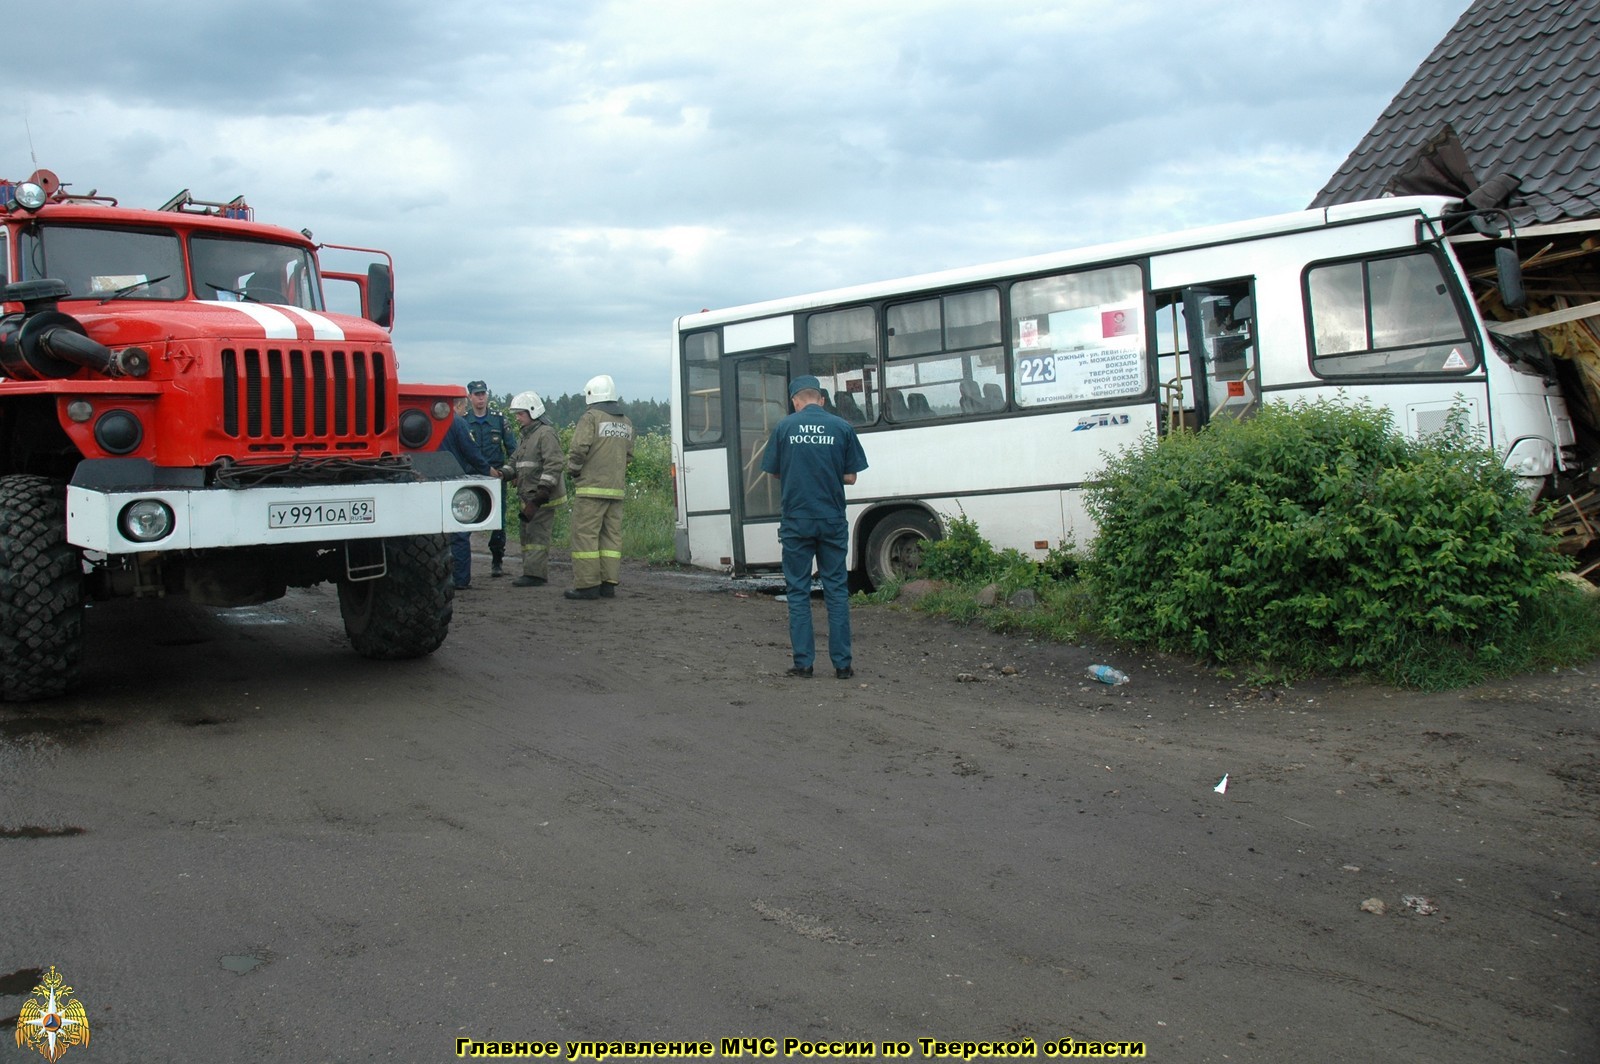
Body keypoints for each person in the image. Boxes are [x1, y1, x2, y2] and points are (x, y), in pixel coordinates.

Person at [761, 374, 869, 679]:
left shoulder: (784, 427)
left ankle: (804, 663)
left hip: (797, 520)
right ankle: (843, 665)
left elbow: (775, 473)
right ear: (821, 399)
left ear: (796, 401)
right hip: (832, 518)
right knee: (836, 590)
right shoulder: (842, 427)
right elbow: (851, 477)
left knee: (798, 591)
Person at [564, 374, 633, 600]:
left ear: (591, 395)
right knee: (610, 538)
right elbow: (629, 455)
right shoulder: (626, 421)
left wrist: (573, 470)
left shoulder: (591, 417)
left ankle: (587, 586)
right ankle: (608, 584)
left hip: (591, 489)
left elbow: (578, 448)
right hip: (616, 489)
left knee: (585, 536)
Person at [504, 390, 567, 587]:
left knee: (537, 536)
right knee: (527, 534)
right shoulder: (527, 435)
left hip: (541, 498)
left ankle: (535, 575)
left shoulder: (545, 434)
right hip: (529, 496)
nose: (517, 418)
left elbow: (554, 463)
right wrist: (503, 473)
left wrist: (542, 493)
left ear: (532, 412)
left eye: (520, 414)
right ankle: (531, 571)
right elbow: (516, 460)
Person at [462, 380, 516, 577]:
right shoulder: (464, 420)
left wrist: (512, 472)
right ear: (470, 397)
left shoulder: (498, 420)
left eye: (483, 393)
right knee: (464, 518)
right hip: (470, 476)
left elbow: (512, 449)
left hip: (495, 476)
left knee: (498, 520)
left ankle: (497, 560)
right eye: (477, 394)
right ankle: (461, 562)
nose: (481, 397)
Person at [438, 397, 492, 590]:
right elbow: (471, 451)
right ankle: (460, 579)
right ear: (458, 405)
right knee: (459, 531)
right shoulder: (457, 422)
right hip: (453, 479)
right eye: (464, 408)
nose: (464, 413)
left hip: (428, 480)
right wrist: (488, 471)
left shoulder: (431, 421)